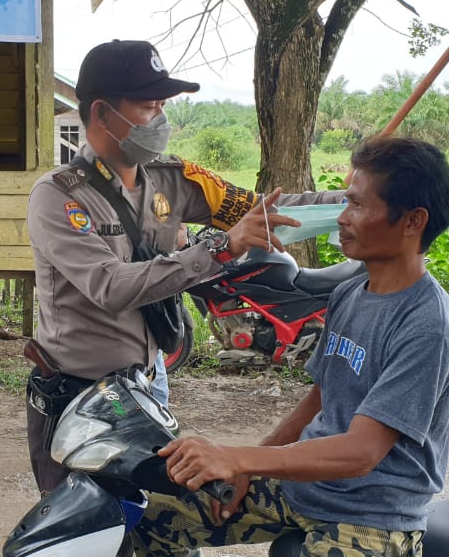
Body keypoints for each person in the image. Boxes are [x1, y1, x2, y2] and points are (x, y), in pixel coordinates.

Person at [140, 135, 449, 557]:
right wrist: (247, 473)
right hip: (304, 491)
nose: (342, 216)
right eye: (342, 200)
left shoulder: (427, 323)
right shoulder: (355, 287)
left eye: (355, 204)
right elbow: (322, 394)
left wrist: (238, 455)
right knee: (159, 520)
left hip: (367, 523)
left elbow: (361, 450)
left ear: (412, 222)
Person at [25, 39, 344, 495]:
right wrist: (218, 250)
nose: (160, 120)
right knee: (87, 530)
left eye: (162, 106)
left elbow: (262, 210)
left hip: (148, 386)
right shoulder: (59, 196)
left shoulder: (173, 179)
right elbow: (110, 287)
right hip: (82, 394)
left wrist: (353, 201)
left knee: (161, 523)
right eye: (147, 107)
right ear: (100, 113)